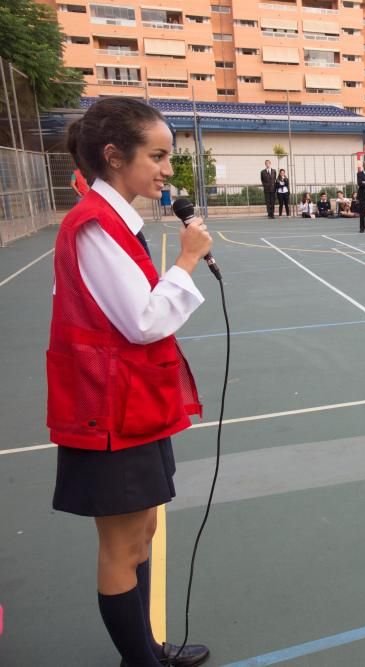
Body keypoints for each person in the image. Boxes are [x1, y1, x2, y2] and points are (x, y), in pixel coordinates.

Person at [50, 97, 212, 667]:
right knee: (121, 546)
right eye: (159, 155)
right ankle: (139, 661)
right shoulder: (94, 226)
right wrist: (187, 260)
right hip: (108, 409)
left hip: (131, 404)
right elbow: (142, 319)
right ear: (115, 156)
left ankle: (146, 648)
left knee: (142, 528)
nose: (168, 169)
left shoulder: (117, 221)